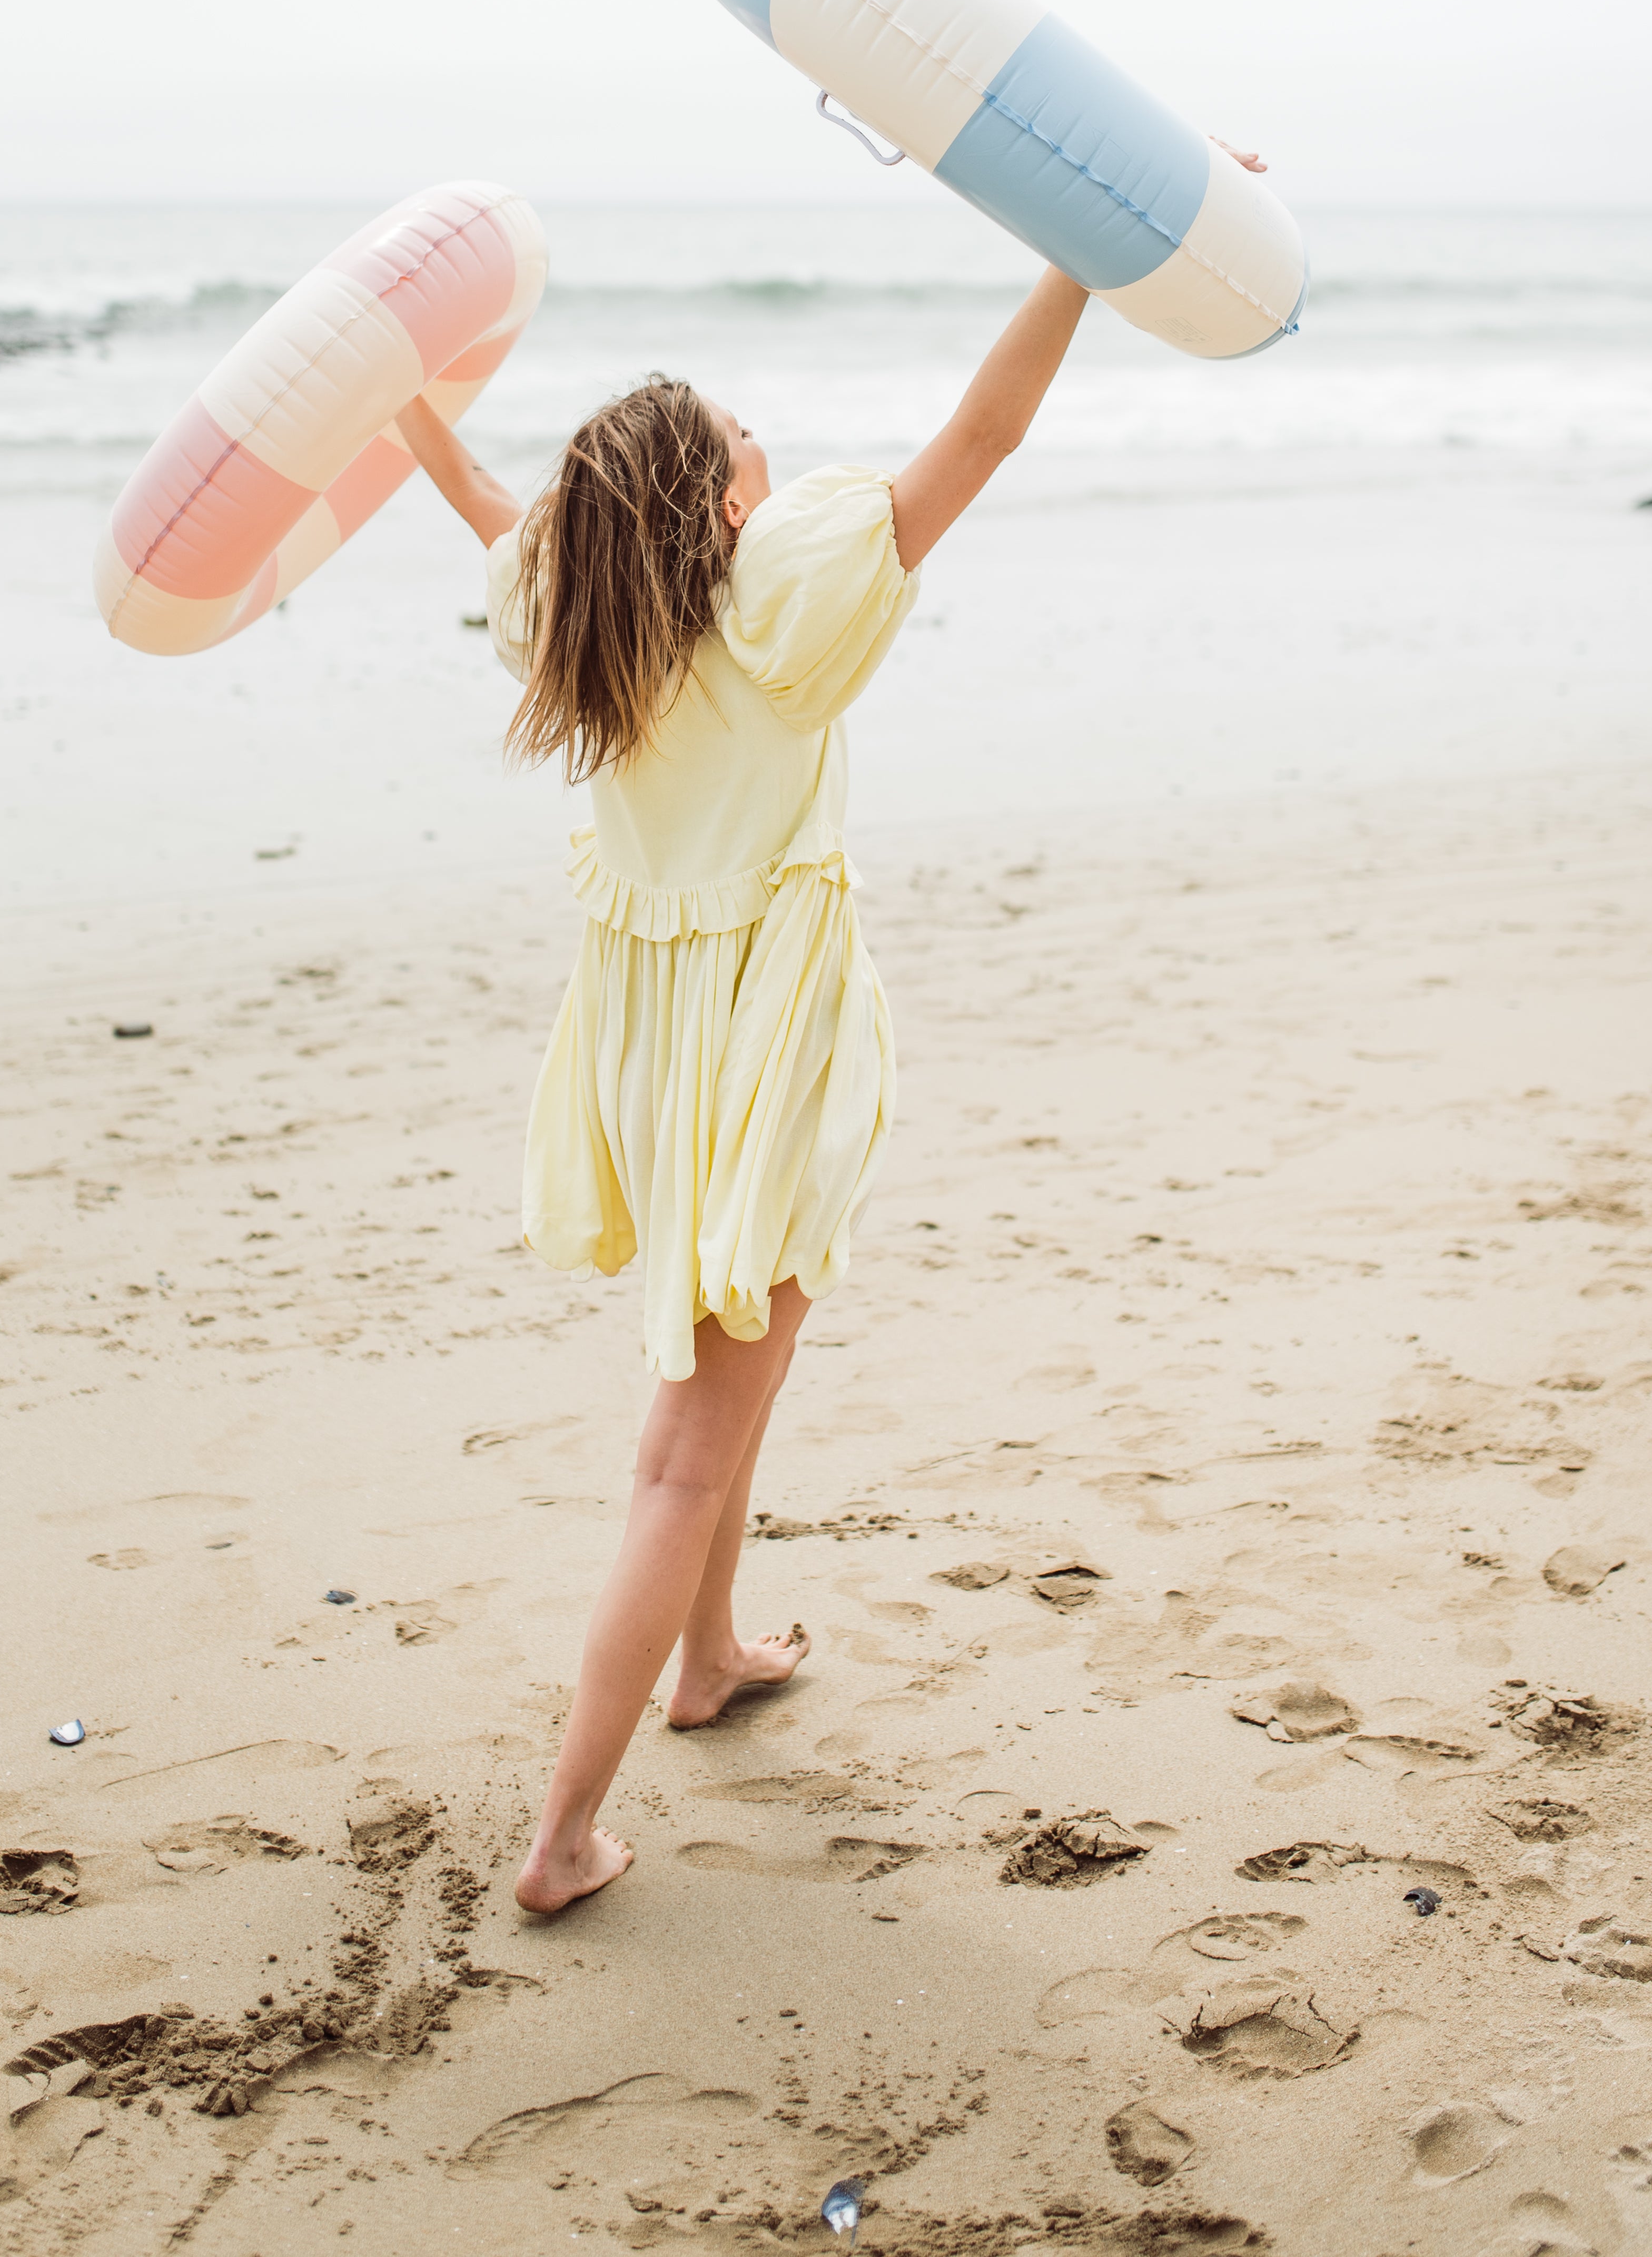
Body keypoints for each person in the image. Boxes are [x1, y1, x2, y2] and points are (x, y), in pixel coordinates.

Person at [400, 186, 1254, 1915]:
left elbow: (493, 504)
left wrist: (387, 392)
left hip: (654, 1058)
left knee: (735, 1376)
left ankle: (709, 1652)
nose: (764, 449)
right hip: (766, 1055)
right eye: (746, 440)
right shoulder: (779, 624)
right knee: (685, 1447)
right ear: (725, 507)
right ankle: (564, 1832)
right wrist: (1079, 259)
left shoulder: (587, 624)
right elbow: (981, 436)